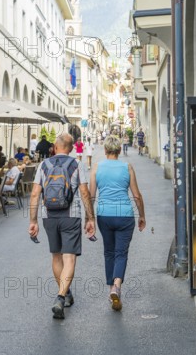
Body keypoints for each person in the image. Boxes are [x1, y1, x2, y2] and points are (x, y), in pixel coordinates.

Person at [28, 133, 95, 320]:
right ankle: (60, 296)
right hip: (70, 216)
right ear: (72, 148)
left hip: (48, 216)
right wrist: (91, 218)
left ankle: (64, 293)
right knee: (70, 258)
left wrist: (33, 221)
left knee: (56, 256)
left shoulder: (43, 165)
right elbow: (84, 192)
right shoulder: (77, 165)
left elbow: (35, 194)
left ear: (55, 147)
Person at [89, 135, 146, 311]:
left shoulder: (97, 167)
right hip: (124, 216)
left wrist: (89, 218)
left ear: (105, 150)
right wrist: (142, 215)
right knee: (121, 253)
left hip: (104, 215)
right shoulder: (127, 167)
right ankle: (117, 285)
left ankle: (110, 290)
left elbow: (91, 196)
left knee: (109, 252)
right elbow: (136, 195)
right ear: (119, 150)